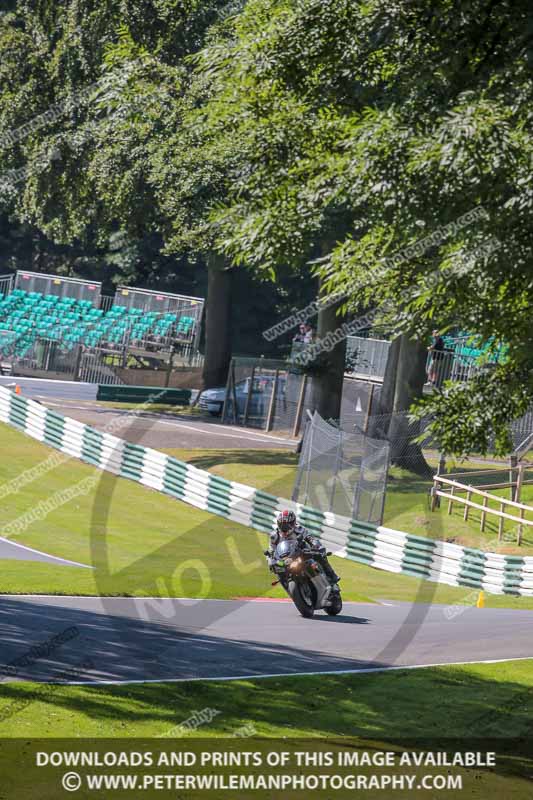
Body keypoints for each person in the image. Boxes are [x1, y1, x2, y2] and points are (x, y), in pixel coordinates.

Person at [266, 509, 340, 590]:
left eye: (287, 525)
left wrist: (317, 546)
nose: (284, 528)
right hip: (286, 560)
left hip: (302, 553)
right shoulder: (274, 536)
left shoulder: (300, 529)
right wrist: (271, 561)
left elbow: (311, 539)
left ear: (293, 523)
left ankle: (332, 578)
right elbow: (271, 551)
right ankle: (289, 589)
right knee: (279, 571)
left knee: (320, 556)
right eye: (282, 525)